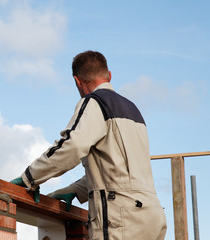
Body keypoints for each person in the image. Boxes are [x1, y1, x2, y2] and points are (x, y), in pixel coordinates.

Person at [11, 50, 167, 240]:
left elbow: (72, 146)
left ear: (77, 81)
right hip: (152, 216)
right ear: (109, 75)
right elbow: (120, 171)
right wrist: (75, 190)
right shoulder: (133, 110)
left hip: (121, 218)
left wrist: (29, 178)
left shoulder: (95, 102)